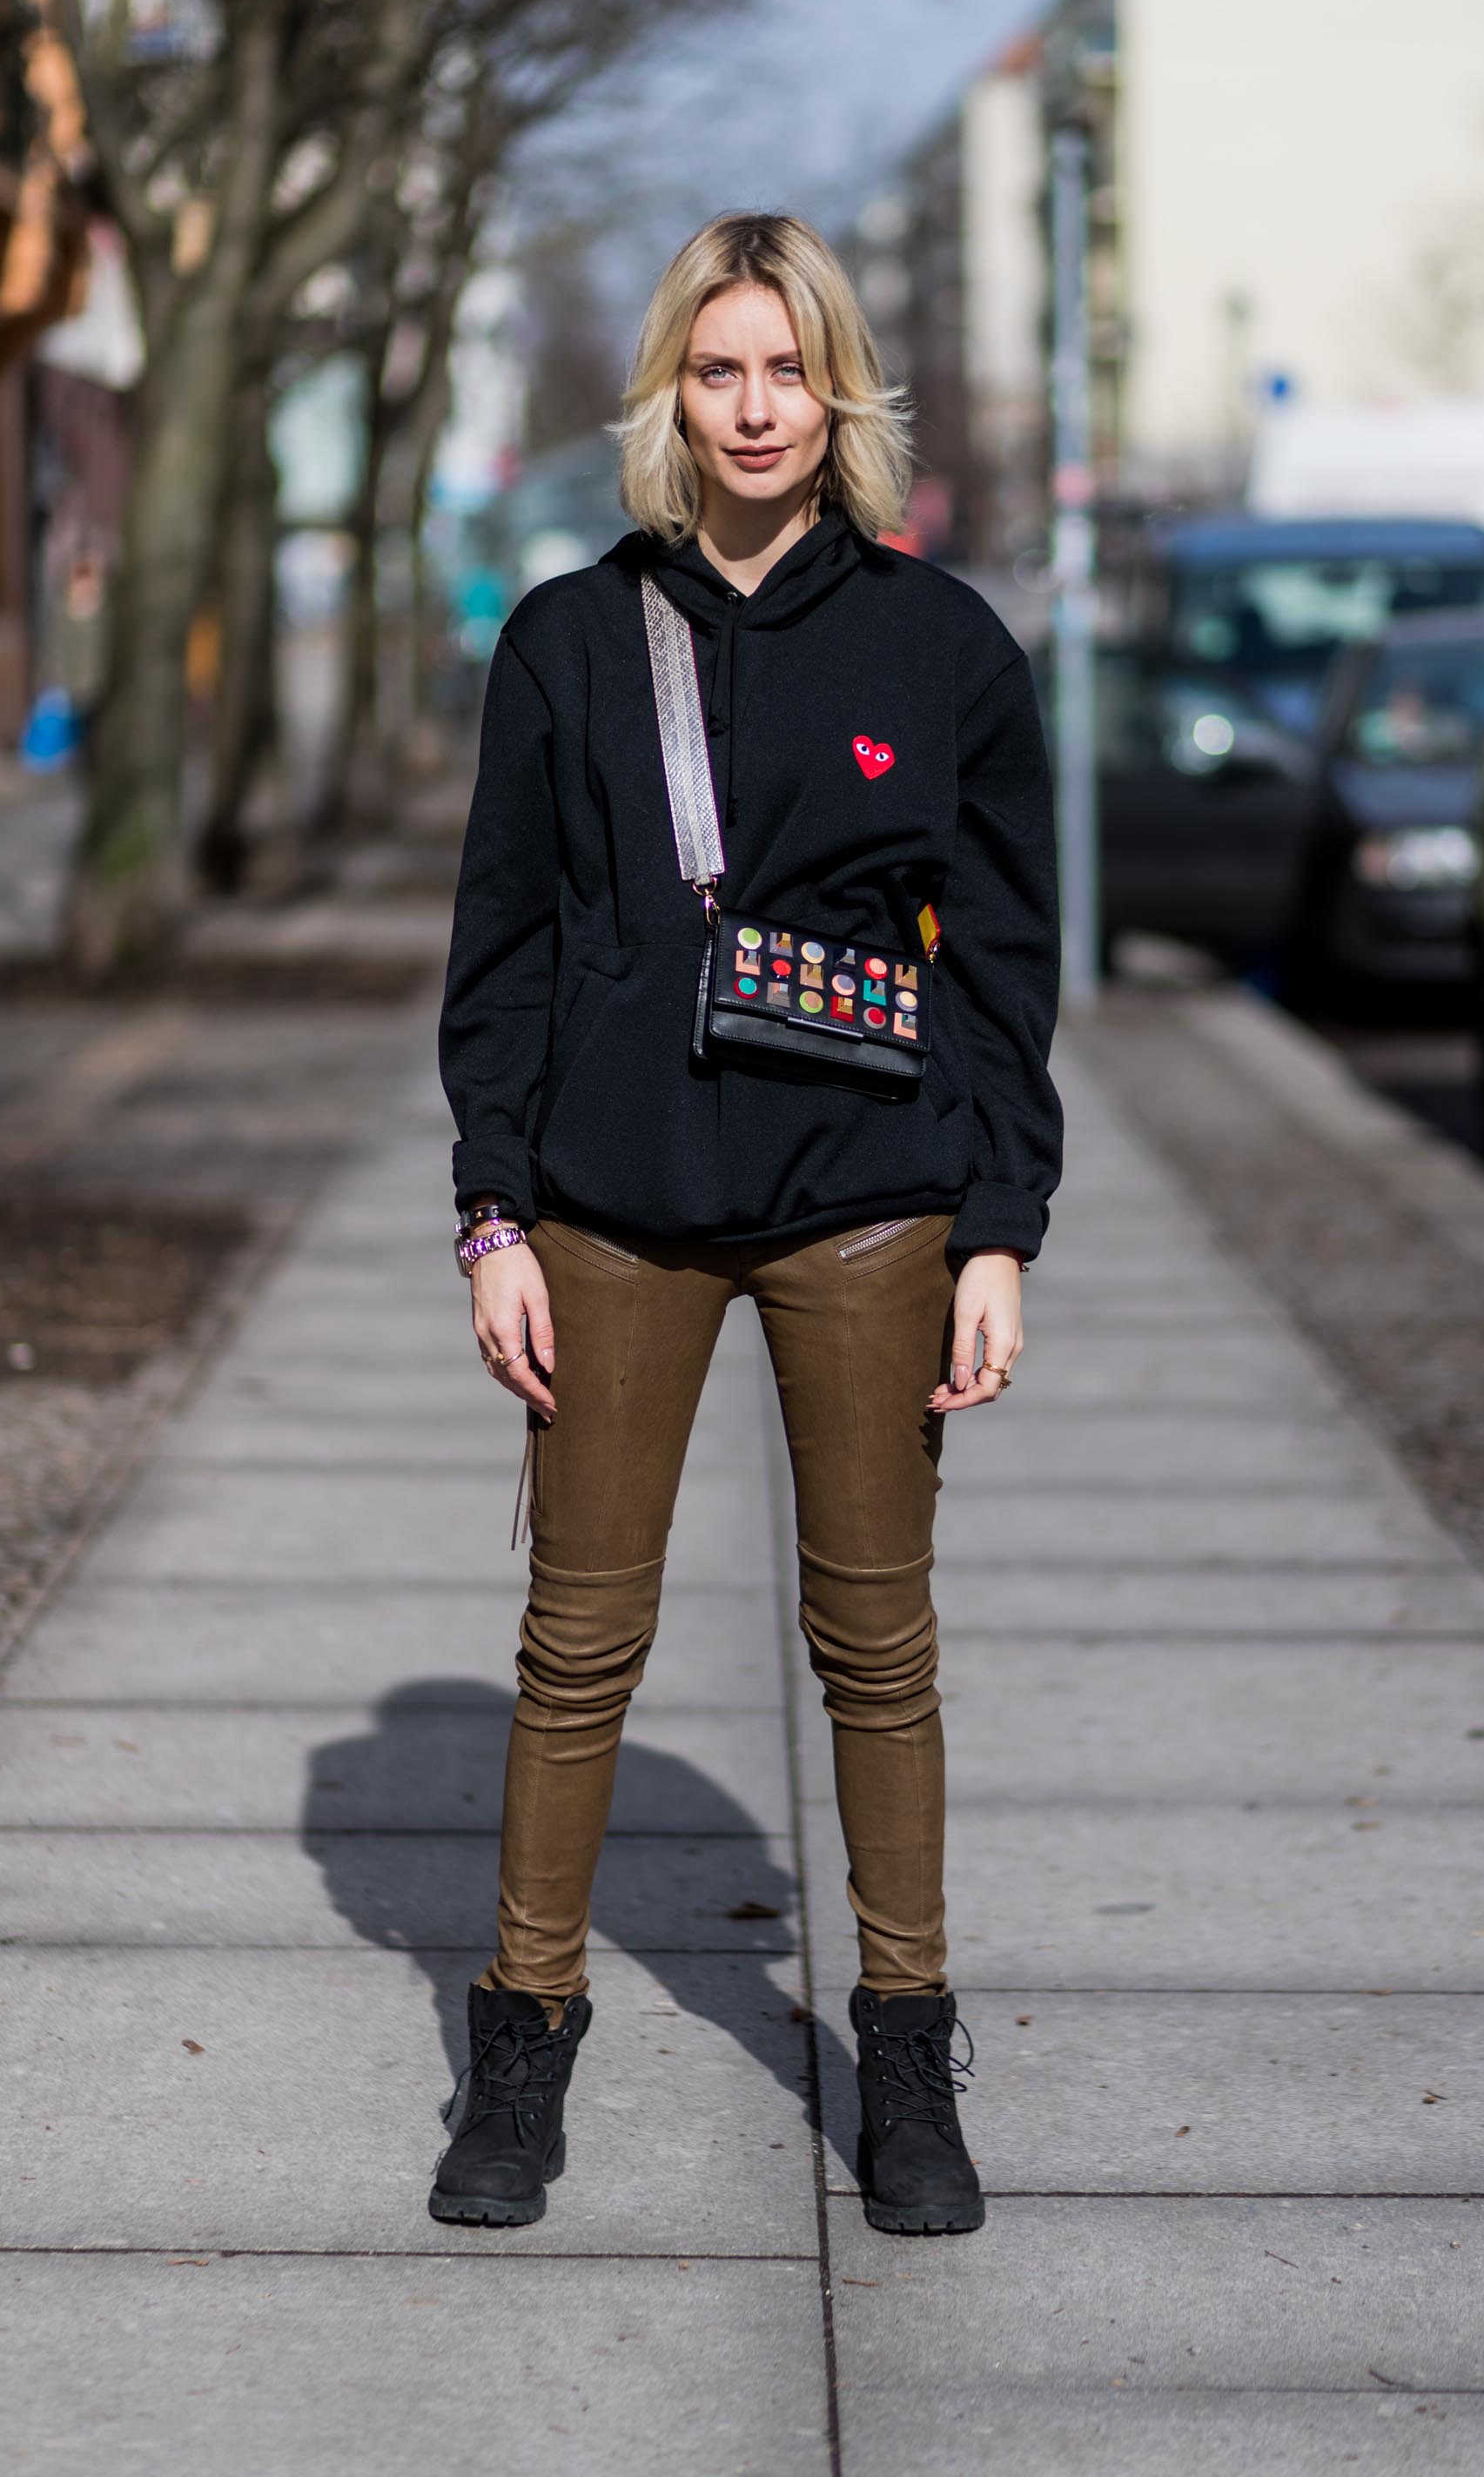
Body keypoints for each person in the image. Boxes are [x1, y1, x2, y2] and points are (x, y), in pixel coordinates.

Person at [433, 212, 1061, 2236]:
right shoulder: (563, 640)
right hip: (611, 1214)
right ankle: (521, 2049)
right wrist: (493, 1213)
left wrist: (998, 1227)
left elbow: (1006, 970)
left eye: (789, 369)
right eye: (719, 371)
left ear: (841, 390)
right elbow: (503, 949)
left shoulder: (944, 645)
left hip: (869, 1208)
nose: (758, 406)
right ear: (669, 398)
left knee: (876, 1643)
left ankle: (906, 2054)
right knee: (577, 1644)